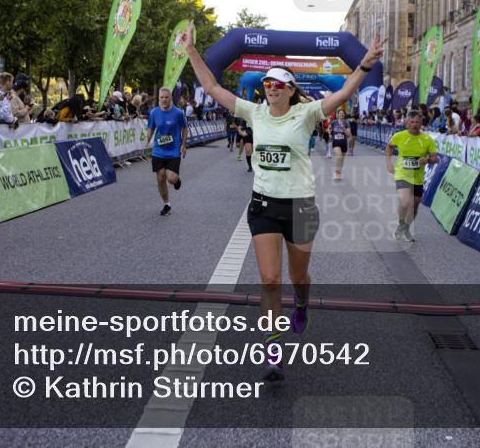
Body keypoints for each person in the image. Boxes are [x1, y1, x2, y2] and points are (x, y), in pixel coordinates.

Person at [181, 20, 384, 381]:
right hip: (264, 205)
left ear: (290, 90)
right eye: (267, 84)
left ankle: (302, 302)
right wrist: (191, 50)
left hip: (301, 206)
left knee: (298, 276)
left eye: (277, 84)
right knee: (270, 279)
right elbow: (211, 86)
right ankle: (272, 349)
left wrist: (365, 64)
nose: (271, 88)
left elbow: (343, 94)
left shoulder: (306, 113)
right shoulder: (254, 112)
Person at [385, 109, 439, 242]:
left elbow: (435, 158)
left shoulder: (427, 139)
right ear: (407, 122)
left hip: (418, 177)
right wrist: (389, 163)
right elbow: (389, 146)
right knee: (404, 201)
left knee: (414, 206)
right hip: (402, 173)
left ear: (421, 123)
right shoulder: (399, 136)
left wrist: (428, 160)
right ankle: (400, 224)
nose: (415, 125)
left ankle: (406, 228)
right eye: (412, 122)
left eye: (417, 122)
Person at [146, 87, 188, 216]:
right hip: (158, 150)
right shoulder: (154, 112)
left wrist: (183, 145)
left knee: (171, 178)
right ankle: (166, 204)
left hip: (173, 150)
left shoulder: (178, 113)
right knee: (160, 178)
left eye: (166, 97)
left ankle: (177, 180)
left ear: (171, 98)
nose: (164, 100)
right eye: (162, 97)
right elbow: (151, 128)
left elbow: (185, 128)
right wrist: (147, 141)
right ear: (159, 98)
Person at [330, 109, 350, 181]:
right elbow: (330, 130)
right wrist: (329, 134)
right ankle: (336, 172)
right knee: (339, 156)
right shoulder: (334, 122)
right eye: (340, 113)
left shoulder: (346, 123)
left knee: (342, 159)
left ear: (344, 115)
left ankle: (339, 172)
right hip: (336, 142)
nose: (341, 114)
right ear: (337, 115)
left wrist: (343, 128)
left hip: (343, 143)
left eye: (342, 113)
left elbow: (348, 135)